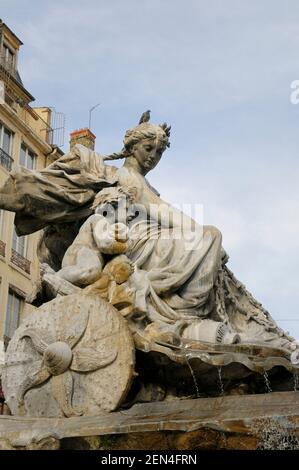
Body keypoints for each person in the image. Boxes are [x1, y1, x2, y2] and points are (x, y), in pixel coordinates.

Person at [0, 113, 297, 353]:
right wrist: (200, 234)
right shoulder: (126, 178)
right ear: (132, 147)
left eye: (159, 152)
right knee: (210, 237)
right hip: (135, 245)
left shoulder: (140, 183)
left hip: (143, 241)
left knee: (210, 243)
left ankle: (195, 314)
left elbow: (162, 212)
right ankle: (186, 314)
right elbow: (161, 214)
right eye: (148, 149)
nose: (154, 156)